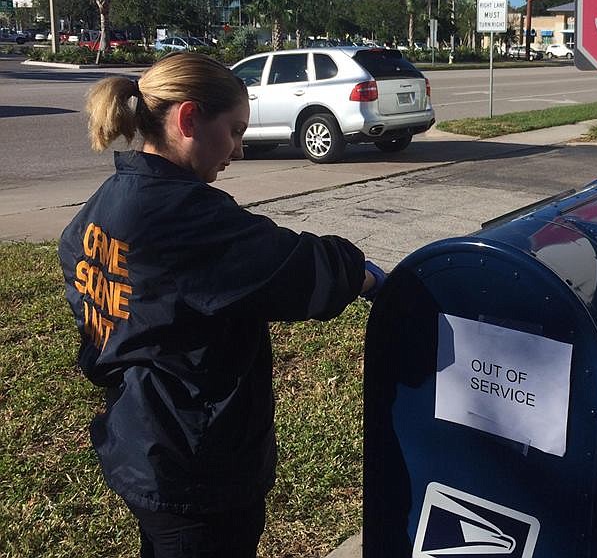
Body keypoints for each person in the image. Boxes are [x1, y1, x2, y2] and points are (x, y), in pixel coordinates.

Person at [58, 52, 386, 557]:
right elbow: (298, 268)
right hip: (196, 466)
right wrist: (365, 276)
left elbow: (76, 264)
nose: (238, 147)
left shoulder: (114, 196)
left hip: (141, 442)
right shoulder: (186, 215)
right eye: (233, 130)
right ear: (188, 119)